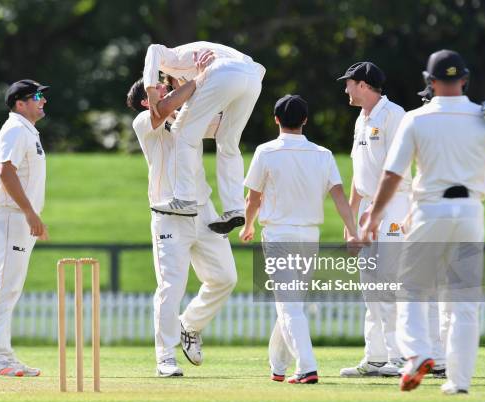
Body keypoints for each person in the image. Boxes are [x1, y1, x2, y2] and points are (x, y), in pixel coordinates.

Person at [361, 50, 485, 394]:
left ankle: (417, 354)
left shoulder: (417, 119)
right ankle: (459, 382)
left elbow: (393, 175)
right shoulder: (484, 117)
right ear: (465, 79)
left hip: (430, 211)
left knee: (411, 288)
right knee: (465, 301)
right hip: (470, 213)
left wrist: (372, 218)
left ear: (430, 82)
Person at [126, 55, 237, 377]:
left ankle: (190, 324)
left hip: (203, 211)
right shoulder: (144, 122)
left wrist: (215, 79)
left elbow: (222, 126)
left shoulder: (189, 119)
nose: (165, 88)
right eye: (160, 87)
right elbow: (164, 109)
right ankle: (165, 357)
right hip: (168, 214)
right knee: (171, 285)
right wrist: (197, 79)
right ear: (146, 100)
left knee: (225, 278)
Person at [239, 95, 359, 384]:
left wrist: (248, 225)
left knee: (289, 305)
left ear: (276, 119)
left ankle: (307, 367)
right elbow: (340, 197)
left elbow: (253, 197)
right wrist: (353, 230)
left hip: (279, 234)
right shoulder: (323, 154)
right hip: (309, 236)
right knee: (291, 304)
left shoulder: (265, 152)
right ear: (305, 120)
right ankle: (279, 367)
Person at [335, 62, 445, 377]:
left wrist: (377, 211)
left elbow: (398, 169)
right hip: (370, 207)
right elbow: (359, 175)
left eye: (349, 83)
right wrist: (352, 219)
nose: (346, 90)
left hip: (394, 205)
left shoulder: (394, 115)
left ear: (363, 85)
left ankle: (404, 356)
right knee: (371, 285)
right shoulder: (361, 119)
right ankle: (376, 358)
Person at [144, 41, 266, 235]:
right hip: (253, 76)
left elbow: (154, 49)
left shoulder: (173, 60)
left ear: (174, 78)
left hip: (224, 72)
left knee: (181, 132)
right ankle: (234, 207)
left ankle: (184, 198)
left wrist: (150, 89)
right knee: (228, 143)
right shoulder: (200, 59)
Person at [0, 79, 50, 376]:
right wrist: (29, 213)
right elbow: (5, 172)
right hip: (10, 216)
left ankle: (3, 355)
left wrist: (32, 216)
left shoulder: (26, 130)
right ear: (20, 103)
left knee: (10, 288)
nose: (42, 101)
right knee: (3, 286)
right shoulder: (14, 129)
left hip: (17, 219)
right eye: (36, 96)